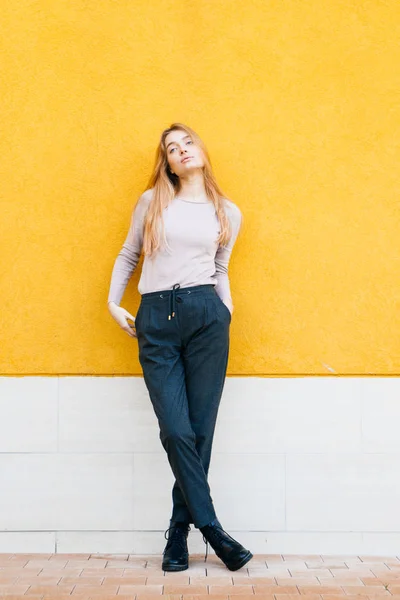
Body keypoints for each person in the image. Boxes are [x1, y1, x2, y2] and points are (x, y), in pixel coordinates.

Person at [107, 122, 253, 572]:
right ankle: (210, 528)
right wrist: (113, 302)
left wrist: (224, 311)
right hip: (157, 318)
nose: (182, 150)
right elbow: (130, 254)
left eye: (187, 142)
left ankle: (178, 534)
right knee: (175, 430)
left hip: (207, 316)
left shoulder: (227, 210)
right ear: (167, 163)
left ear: (202, 149)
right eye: (172, 148)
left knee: (200, 430)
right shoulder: (154, 201)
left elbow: (221, 266)